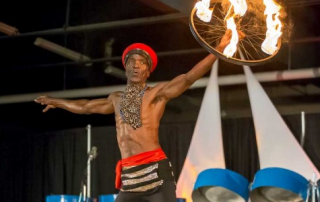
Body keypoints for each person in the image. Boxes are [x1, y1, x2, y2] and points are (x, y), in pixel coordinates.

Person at [35, 30, 232, 202]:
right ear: (126, 67)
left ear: (148, 71)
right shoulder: (116, 98)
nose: (136, 66)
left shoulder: (157, 95)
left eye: (141, 63)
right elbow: (86, 106)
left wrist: (218, 49)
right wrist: (57, 102)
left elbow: (189, 77)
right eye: (132, 62)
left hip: (155, 171)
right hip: (130, 178)